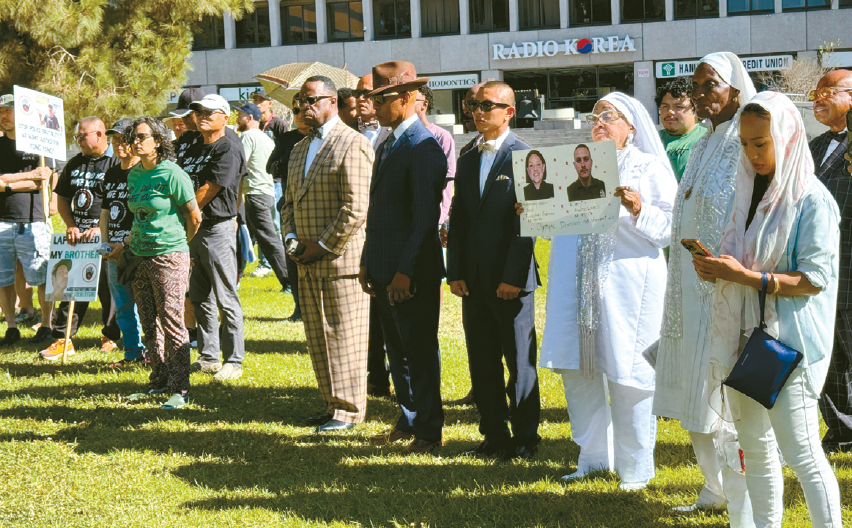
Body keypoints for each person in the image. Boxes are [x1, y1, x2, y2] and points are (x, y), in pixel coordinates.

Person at [695, 91, 843, 528]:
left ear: (787, 137)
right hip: (744, 338)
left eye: (761, 143)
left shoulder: (811, 200)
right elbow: (740, 265)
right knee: (755, 453)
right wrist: (717, 271)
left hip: (788, 346)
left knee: (802, 454)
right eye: (744, 144)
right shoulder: (745, 194)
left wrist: (744, 277)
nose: (752, 154)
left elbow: (814, 279)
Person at [536, 92, 676, 491]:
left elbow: (668, 228)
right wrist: (536, 212)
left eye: (608, 116)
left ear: (631, 126)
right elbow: (560, 223)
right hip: (575, 286)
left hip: (628, 288)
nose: (597, 123)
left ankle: (635, 468)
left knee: (629, 375)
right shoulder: (572, 165)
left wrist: (637, 208)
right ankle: (593, 458)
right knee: (580, 372)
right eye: (592, 116)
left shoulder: (648, 167)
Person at [653, 52, 757, 524]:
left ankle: (744, 496)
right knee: (695, 390)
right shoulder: (703, 143)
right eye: (695, 86)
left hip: (726, 290)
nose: (699, 94)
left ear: (735, 89)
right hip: (688, 291)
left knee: (726, 395)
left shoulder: (750, 143)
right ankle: (713, 487)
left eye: (709, 85)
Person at [447, 81, 540, 460]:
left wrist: (513, 278)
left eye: (488, 104)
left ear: (509, 111)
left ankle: (525, 439)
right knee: (482, 360)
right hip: (474, 281)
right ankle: (494, 435)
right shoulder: (467, 158)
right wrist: (455, 271)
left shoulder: (527, 156)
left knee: (519, 363)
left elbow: (529, 224)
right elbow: (460, 221)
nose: (478, 111)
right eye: (472, 104)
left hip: (510, 282)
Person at [360, 61, 448, 454]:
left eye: (382, 98)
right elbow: (378, 211)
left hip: (409, 273)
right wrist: (368, 260)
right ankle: (410, 418)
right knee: (398, 353)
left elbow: (425, 218)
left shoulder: (423, 146)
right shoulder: (390, 141)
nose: (373, 105)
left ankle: (429, 430)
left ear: (408, 98)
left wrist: (404, 271)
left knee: (418, 352)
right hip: (383, 268)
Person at [281, 76, 373, 433]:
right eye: (300, 102)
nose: (304, 107)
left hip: (340, 260)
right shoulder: (300, 148)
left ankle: (349, 410)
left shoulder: (353, 144)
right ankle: (331, 403)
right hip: (305, 259)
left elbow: (356, 208)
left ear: (333, 101)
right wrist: (292, 239)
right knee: (317, 336)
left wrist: (321, 246)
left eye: (311, 100)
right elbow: (288, 202)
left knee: (344, 336)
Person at [126, 117, 201, 410]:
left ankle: (179, 388)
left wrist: (179, 245)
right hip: (139, 255)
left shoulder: (172, 174)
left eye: (142, 136)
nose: (135, 142)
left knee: (171, 321)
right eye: (133, 137)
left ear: (158, 141)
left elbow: (194, 217)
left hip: (169, 254)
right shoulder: (134, 175)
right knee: (148, 320)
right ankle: (158, 379)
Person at [39, 116, 122, 360]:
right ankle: (63, 339)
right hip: (78, 240)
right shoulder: (75, 163)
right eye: (77, 136)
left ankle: (111, 336)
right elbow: (62, 197)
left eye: (82, 136)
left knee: (109, 289)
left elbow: (119, 200)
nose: (78, 141)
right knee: (69, 288)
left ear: (99, 134)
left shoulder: (116, 162)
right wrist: (71, 225)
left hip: (106, 237)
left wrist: (100, 228)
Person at [182, 94, 246, 381]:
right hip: (193, 227)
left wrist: (180, 214)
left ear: (226, 116)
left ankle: (234, 360)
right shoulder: (194, 142)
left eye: (210, 111)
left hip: (215, 227)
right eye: (199, 111)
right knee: (198, 295)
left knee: (225, 295)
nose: (203, 115)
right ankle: (208, 356)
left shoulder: (228, 146)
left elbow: (208, 190)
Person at [809, 69, 852, 455]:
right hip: (822, 272)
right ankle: (841, 430)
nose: (817, 98)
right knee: (830, 356)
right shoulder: (814, 145)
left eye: (828, 91)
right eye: (815, 92)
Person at [0, 94, 54, 346]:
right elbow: (32, 179)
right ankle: (11, 325)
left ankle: (46, 324)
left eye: (8, 110)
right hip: (2, 221)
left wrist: (6, 182)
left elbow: (42, 179)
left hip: (32, 219)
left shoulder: (36, 146)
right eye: (0, 111)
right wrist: (25, 179)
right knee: (4, 278)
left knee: (40, 275)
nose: (3, 115)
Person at [357, 72, 393, 398]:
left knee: (391, 318)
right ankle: (375, 377)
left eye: (370, 93)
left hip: (386, 234)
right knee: (367, 316)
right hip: (358, 235)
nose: (364, 99)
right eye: (359, 94)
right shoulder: (346, 135)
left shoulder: (393, 136)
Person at [99, 118, 145, 367]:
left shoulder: (143, 173)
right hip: (113, 251)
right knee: (123, 306)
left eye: (123, 140)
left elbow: (145, 213)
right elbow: (105, 212)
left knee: (146, 305)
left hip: (137, 249)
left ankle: (152, 353)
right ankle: (132, 353)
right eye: (114, 140)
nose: (118, 145)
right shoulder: (112, 172)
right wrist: (105, 243)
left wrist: (125, 244)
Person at [235, 103, 290, 292]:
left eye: (240, 115)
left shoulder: (248, 136)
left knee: (268, 240)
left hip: (255, 194)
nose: (236, 118)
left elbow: (239, 167)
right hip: (266, 193)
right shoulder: (266, 138)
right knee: (252, 237)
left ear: (250, 118)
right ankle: (236, 277)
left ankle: (289, 282)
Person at [657, 77, 707, 181]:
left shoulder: (707, 140)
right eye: (665, 106)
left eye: (678, 106)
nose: (670, 112)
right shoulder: (651, 140)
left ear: (695, 109)